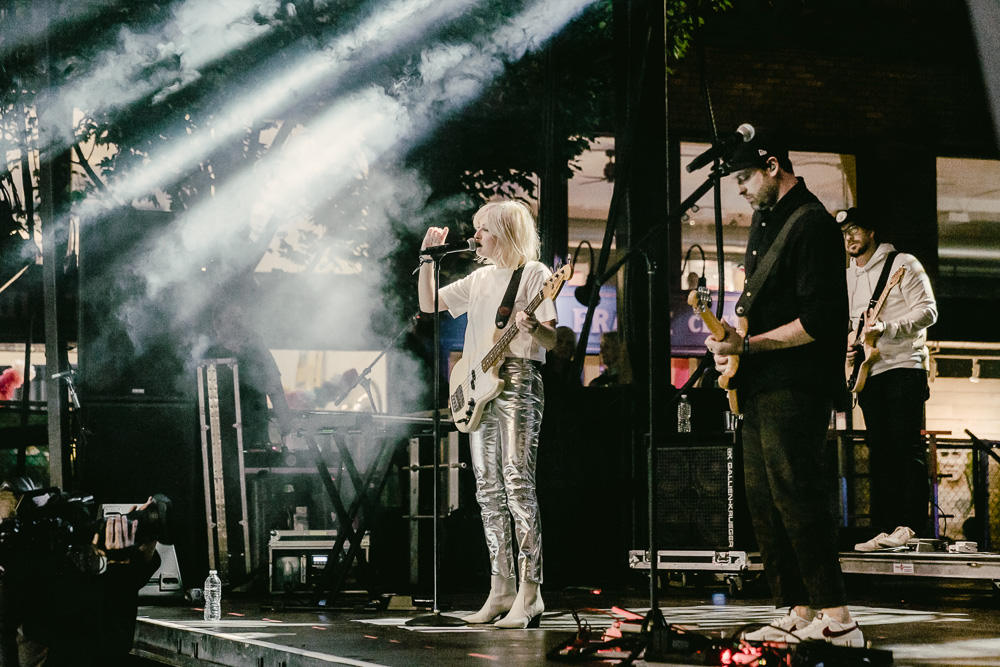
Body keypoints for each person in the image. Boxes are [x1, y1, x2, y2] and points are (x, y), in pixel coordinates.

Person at [704, 128, 862, 646]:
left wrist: (746, 348)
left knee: (799, 496)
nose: (742, 189)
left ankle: (838, 617)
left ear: (773, 166)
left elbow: (819, 321)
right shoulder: (766, 221)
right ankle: (798, 607)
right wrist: (731, 342)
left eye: (746, 177)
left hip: (797, 385)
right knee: (765, 502)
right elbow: (761, 311)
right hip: (759, 385)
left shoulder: (812, 223)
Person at [418, 200, 557, 629]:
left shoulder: (534, 275)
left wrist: (534, 328)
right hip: (478, 386)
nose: (475, 236)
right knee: (486, 489)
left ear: (505, 232)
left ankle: (531, 593)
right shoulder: (479, 279)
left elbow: (552, 341)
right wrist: (427, 258)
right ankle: (501, 590)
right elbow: (428, 305)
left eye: (483, 230)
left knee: (517, 481)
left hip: (518, 377)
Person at [840, 208, 938, 549]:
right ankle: (883, 527)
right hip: (870, 371)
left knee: (905, 445)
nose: (849, 237)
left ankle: (909, 525)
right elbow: (855, 321)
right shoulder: (849, 273)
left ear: (870, 232)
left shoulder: (903, 263)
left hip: (904, 365)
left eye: (855, 229)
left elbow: (928, 311)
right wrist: (850, 350)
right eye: (845, 232)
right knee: (879, 450)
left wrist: (888, 328)